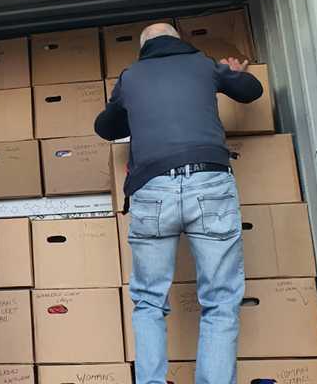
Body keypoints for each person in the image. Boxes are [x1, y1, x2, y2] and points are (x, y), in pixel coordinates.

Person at [94, 23, 263, 384]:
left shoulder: (131, 77)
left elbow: (105, 128)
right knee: (220, 300)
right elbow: (252, 91)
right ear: (178, 41)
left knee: (149, 302)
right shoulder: (204, 64)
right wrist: (234, 73)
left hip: (153, 190)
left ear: (143, 48)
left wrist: (126, 105)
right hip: (210, 184)